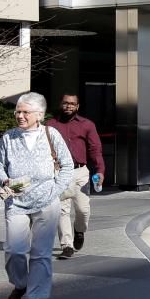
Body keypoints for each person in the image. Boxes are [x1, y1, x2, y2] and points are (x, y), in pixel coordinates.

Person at [0, 92, 75, 299]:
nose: (20, 115)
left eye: (25, 112)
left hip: (47, 202)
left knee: (41, 254)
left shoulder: (51, 134)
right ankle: (20, 285)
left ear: (38, 114)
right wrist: (5, 180)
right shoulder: (9, 138)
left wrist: (55, 190)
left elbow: (67, 166)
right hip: (16, 201)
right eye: (18, 111)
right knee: (14, 250)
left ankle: (34, 298)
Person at [46, 93, 105, 259]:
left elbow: (95, 150)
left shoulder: (87, 125)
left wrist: (100, 170)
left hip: (80, 173)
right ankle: (67, 245)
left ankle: (79, 231)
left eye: (72, 104)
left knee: (83, 210)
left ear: (77, 106)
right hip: (59, 172)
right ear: (61, 104)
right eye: (65, 103)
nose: (68, 106)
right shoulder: (50, 125)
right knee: (61, 211)